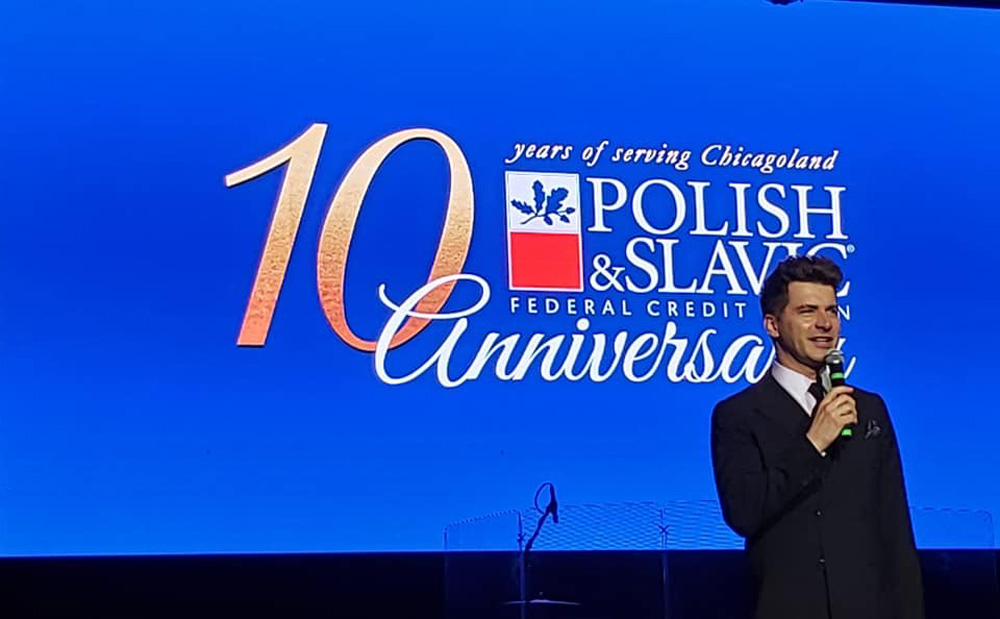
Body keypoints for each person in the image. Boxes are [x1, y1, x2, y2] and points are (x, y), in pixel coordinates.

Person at [710, 256, 924, 619]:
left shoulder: (868, 408)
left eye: (832, 311)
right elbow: (744, 513)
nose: (825, 323)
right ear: (772, 325)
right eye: (808, 311)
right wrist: (812, 444)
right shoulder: (739, 415)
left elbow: (895, 529)